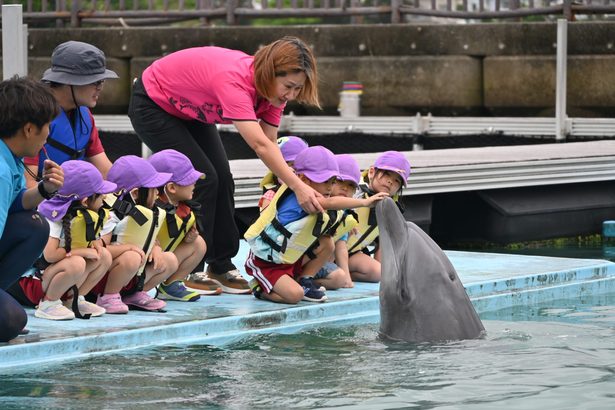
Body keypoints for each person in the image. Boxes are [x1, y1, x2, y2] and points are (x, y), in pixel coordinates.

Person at [128, 36, 323, 294]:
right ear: (270, 73)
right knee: (201, 179)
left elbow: (271, 143)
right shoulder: (235, 81)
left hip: (189, 109)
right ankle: (185, 270)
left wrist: (287, 184)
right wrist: (298, 187)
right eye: (288, 86)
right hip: (153, 103)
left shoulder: (274, 96)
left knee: (223, 178)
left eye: (297, 89)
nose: (291, 95)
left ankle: (219, 264)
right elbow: (259, 145)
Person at [244, 146, 387, 305]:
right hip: (268, 262)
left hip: (292, 259)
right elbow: (330, 202)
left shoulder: (319, 198)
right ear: (304, 180)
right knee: (294, 296)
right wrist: (365, 202)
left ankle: (305, 279)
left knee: (327, 244)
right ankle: (261, 289)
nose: (329, 187)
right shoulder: (300, 198)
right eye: (324, 181)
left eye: (332, 182)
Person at [7, 160, 115, 320]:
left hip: (57, 278)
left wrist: (95, 245)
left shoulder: (87, 216)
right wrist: (83, 251)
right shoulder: (54, 217)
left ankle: (74, 299)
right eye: (100, 194)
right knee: (78, 262)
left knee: (104, 256)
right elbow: (50, 255)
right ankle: (48, 304)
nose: (105, 196)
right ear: (85, 201)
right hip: (35, 282)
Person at [0, 77, 62, 340]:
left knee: (34, 225)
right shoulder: (1, 170)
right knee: (12, 320)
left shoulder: (9, 156)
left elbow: (14, 206)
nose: (48, 132)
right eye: (46, 125)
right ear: (28, 129)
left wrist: (44, 190)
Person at [23, 41, 118, 188]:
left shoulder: (85, 115)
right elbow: (27, 184)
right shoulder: (34, 115)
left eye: (102, 81)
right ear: (69, 81)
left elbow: (107, 172)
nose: (100, 87)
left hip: (75, 200)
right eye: (95, 81)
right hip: (44, 204)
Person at [92, 155, 178, 313]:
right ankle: (108, 297)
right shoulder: (112, 215)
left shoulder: (147, 212)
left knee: (170, 259)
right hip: (104, 279)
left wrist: (156, 248)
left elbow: (149, 239)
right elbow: (99, 250)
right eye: (154, 189)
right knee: (132, 257)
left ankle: (135, 294)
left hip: (132, 275)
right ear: (136, 193)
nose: (158, 194)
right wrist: (129, 248)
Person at [147, 149, 215, 300]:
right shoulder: (150, 211)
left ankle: (171, 286)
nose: (194, 183)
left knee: (198, 244)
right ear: (172, 188)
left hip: (160, 262)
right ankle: (132, 294)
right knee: (169, 258)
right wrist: (154, 246)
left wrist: (187, 238)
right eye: (188, 180)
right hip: (142, 265)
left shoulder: (183, 209)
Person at [347, 151, 411, 283]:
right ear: (371, 172)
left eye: (397, 180)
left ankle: (341, 274)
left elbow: (384, 243)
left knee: (378, 273)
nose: (390, 181)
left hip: (351, 254)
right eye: (387, 174)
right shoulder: (353, 190)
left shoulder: (390, 208)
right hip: (328, 251)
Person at [313, 154, 362, 290]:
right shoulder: (314, 203)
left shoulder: (344, 214)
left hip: (316, 263)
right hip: (298, 259)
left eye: (351, 185)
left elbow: (341, 246)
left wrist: (347, 277)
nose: (345, 188)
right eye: (340, 182)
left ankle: (303, 280)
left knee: (339, 279)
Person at [258, 136, 309, 211]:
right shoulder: (272, 195)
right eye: (291, 165)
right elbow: (265, 220)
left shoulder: (314, 188)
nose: (296, 172)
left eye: (301, 165)